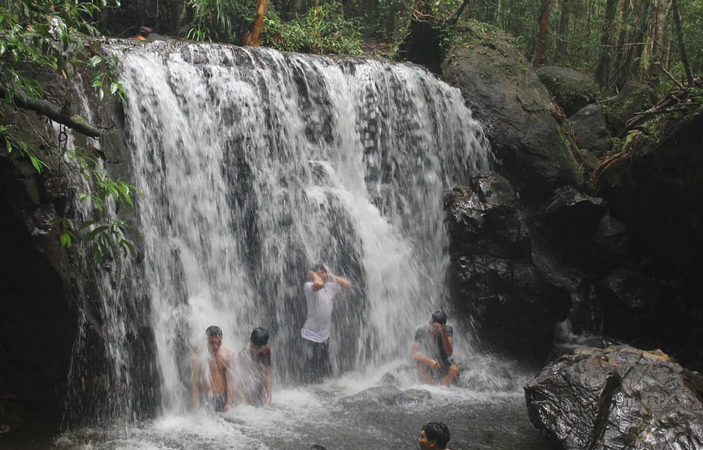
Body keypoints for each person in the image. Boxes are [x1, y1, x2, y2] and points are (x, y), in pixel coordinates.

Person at [301, 263, 352, 383]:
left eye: (324, 272)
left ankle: (321, 390)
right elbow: (318, 284)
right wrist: (314, 275)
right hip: (310, 335)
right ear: (313, 275)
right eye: (320, 272)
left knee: (322, 368)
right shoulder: (309, 286)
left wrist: (330, 276)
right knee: (310, 369)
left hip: (325, 336)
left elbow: (347, 284)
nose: (323, 275)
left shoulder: (330, 287)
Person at [190, 325, 235, 412]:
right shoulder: (196, 357)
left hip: (222, 398)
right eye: (212, 343)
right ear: (206, 340)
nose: (215, 346)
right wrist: (197, 406)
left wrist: (229, 403)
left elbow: (230, 380)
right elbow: (194, 384)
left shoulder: (228, 355)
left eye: (219, 343)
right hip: (206, 399)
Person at [411, 311, 459, 386]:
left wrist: (443, 332)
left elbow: (449, 352)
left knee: (454, 369)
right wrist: (429, 361)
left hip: (443, 359)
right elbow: (415, 353)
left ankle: (441, 388)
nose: (436, 330)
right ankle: (429, 388)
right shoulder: (421, 331)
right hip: (427, 358)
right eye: (434, 327)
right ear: (430, 323)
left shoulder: (447, 330)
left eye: (438, 327)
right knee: (420, 366)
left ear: (444, 326)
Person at [235, 327, 273, 406]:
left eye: (259, 348)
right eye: (254, 347)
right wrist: (244, 401)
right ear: (251, 340)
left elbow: (267, 373)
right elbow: (237, 382)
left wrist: (269, 395)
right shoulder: (243, 355)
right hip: (246, 396)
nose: (256, 350)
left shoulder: (266, 351)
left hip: (260, 395)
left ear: (265, 344)